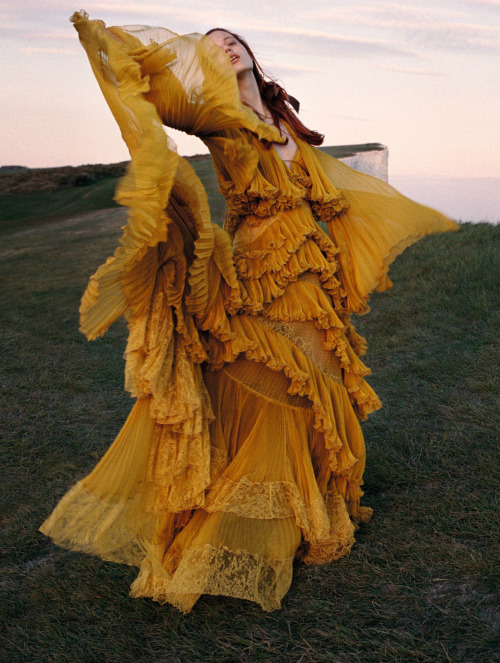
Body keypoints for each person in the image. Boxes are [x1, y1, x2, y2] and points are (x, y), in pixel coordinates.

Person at [40, 11, 458, 613]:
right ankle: (238, 524)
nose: (228, 48)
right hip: (256, 270)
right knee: (268, 381)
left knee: (320, 381)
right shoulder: (212, 115)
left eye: (234, 40)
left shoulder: (280, 116)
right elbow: (151, 101)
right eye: (214, 47)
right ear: (203, 66)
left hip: (307, 268)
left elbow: (325, 189)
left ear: (251, 52)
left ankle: (294, 512)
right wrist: (115, 56)